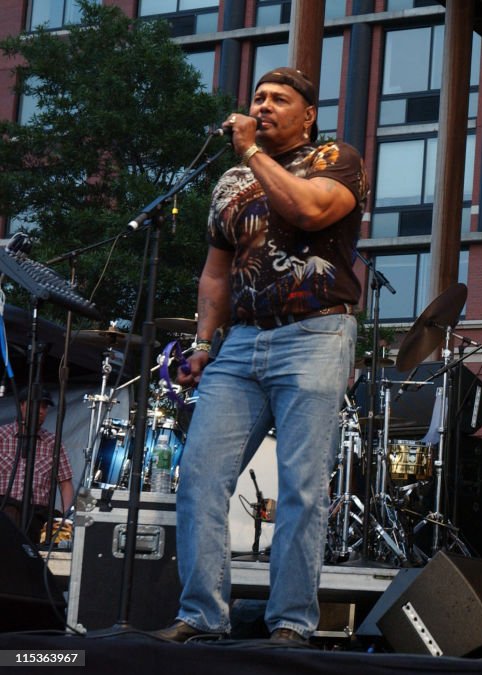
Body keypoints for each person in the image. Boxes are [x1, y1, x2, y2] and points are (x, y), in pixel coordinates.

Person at [155, 66, 367, 644]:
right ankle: (202, 615)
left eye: (280, 99)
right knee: (198, 474)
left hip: (316, 334)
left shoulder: (336, 158)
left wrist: (251, 151)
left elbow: (310, 212)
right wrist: (202, 343)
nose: (264, 105)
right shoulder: (228, 182)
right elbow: (215, 273)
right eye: (258, 98)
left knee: (301, 486)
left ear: (308, 114)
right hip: (242, 341)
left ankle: (291, 623)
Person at [0, 387, 73, 540]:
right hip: (4, 507)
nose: (40, 411)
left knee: (50, 525)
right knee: (10, 514)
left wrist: (67, 519)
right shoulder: (2, 436)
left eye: (44, 407)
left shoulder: (53, 443)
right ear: (21, 405)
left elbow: (65, 483)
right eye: (35, 405)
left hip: (36, 514)